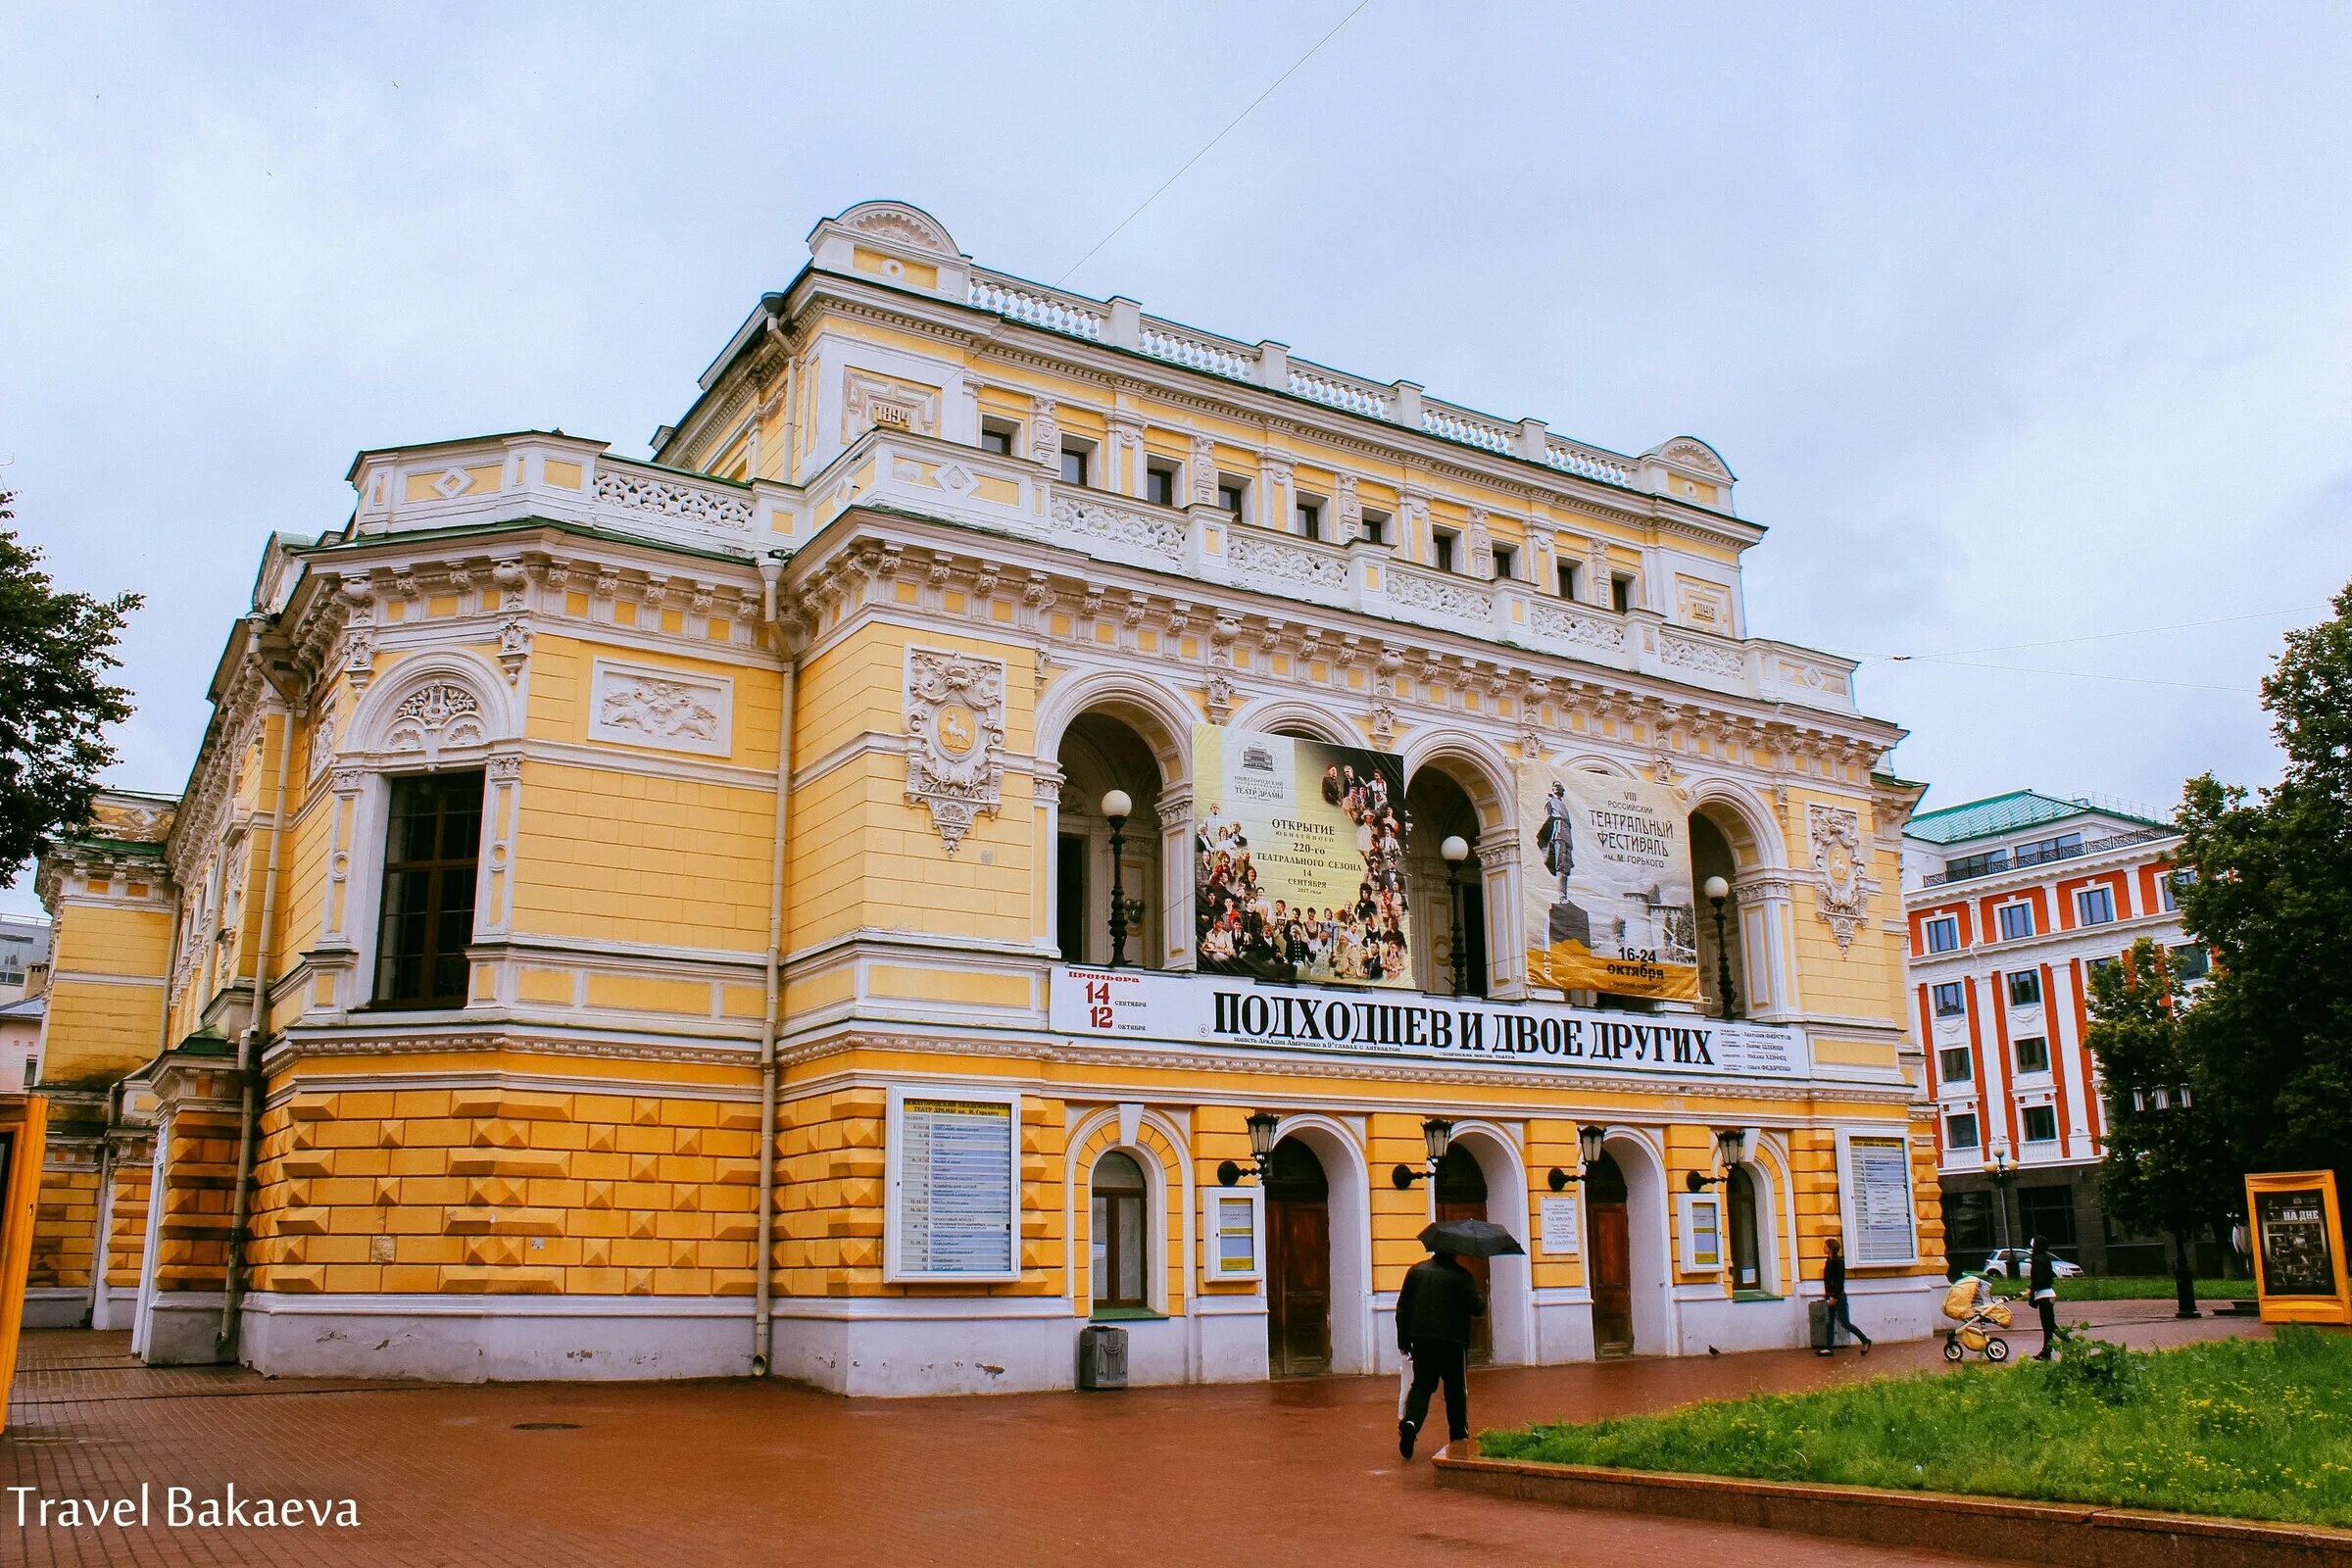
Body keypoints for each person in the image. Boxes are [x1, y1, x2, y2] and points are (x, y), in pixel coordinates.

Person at [1395, 1249, 1485, 1460]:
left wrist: (1404, 1342)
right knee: (1455, 1390)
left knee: (1422, 1386)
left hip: (1423, 1339)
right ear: (1454, 1252)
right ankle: (1458, 1437)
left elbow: (1403, 1309)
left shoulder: (1416, 1272)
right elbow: (1477, 1308)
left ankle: (1411, 1423)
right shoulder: (1462, 1276)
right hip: (1454, 1342)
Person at [1817, 1235, 1872, 1356]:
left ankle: (1865, 1340)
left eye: (1825, 1246)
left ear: (1831, 1249)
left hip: (1838, 1297)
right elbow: (1828, 1281)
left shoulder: (1838, 1263)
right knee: (1829, 1322)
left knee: (1845, 1322)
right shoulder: (1829, 1261)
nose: (1823, 1248)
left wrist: (1834, 1297)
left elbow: (1839, 1282)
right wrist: (1827, 1295)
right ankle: (1828, 1348)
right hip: (1830, 1296)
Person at [2028, 1235, 2060, 1359]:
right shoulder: (2046, 1257)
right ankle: (2047, 1351)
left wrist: (2032, 1289)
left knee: (2048, 1325)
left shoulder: (2037, 1259)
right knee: (2050, 1325)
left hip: (2043, 1295)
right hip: (2048, 1294)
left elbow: (2039, 1279)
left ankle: (2050, 1350)